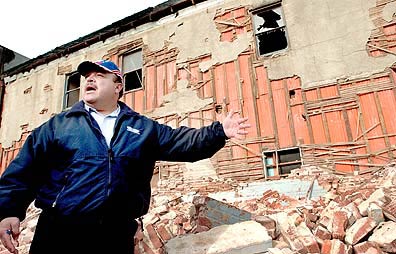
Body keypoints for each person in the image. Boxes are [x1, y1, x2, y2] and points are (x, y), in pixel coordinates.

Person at [0, 59, 251, 254]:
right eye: (86, 77)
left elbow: (182, 143)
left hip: (115, 234)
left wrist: (220, 132)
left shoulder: (142, 128)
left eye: (99, 76)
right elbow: (25, 169)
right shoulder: (59, 125)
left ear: (118, 85)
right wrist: (9, 210)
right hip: (60, 231)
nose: (89, 80)